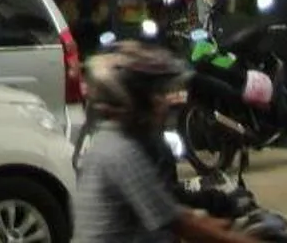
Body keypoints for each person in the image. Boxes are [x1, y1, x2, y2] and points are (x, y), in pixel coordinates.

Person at [73, 46, 243, 243]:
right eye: (156, 94)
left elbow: (164, 205)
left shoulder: (104, 136)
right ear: (135, 100)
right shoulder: (121, 151)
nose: (164, 102)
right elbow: (180, 224)